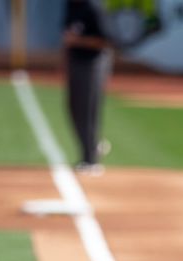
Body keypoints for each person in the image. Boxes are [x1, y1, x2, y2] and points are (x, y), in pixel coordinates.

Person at [63, 0, 116, 176]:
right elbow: (67, 35)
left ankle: (91, 159)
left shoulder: (93, 8)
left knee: (88, 108)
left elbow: (104, 41)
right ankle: (93, 146)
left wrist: (78, 41)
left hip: (94, 62)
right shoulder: (71, 5)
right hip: (76, 61)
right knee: (73, 107)